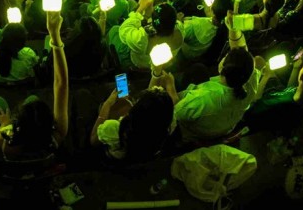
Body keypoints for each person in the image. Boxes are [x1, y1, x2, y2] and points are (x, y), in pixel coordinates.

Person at [166, 12, 265, 143]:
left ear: (222, 68)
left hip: (193, 132)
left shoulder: (204, 99)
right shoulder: (251, 82)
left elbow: (177, 113)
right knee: (198, 69)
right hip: (220, 127)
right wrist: (233, 28)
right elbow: (241, 53)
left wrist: (170, 86)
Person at [0, 11, 68, 165]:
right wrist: (55, 36)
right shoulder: (56, 137)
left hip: (8, 167)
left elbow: (61, 84)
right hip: (41, 172)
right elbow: (61, 83)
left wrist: (4, 125)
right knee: (32, 100)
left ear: (17, 126)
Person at [91, 81, 175, 163]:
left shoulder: (115, 128)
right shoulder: (168, 126)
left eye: (138, 102)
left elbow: (93, 141)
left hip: (117, 163)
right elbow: (151, 107)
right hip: (144, 159)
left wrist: (107, 103)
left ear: (137, 111)